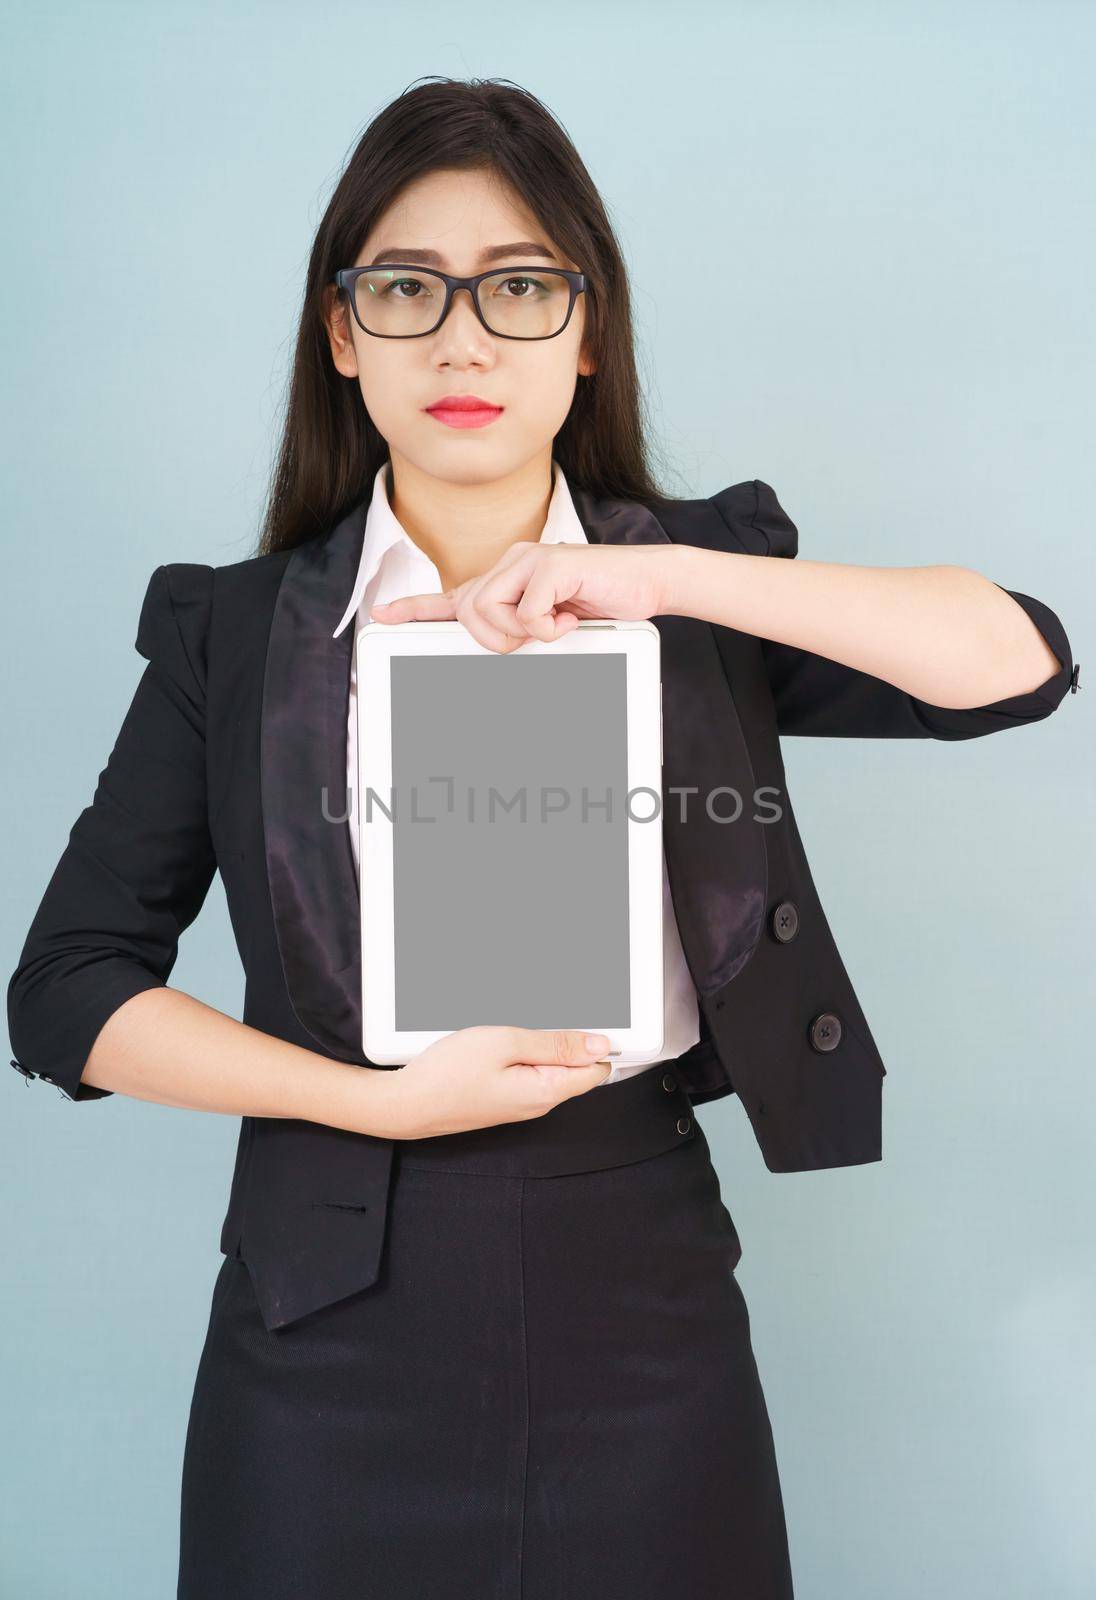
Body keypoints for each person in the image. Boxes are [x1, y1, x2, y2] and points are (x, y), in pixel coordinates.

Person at [7, 77, 1077, 1600]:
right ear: (340, 334)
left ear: (585, 333)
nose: (460, 337)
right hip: (327, 1318)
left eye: (516, 288)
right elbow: (64, 991)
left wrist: (663, 581)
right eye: (405, 288)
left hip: (638, 1289)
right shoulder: (232, 635)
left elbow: (1020, 664)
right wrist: (373, 1104)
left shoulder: (694, 596)